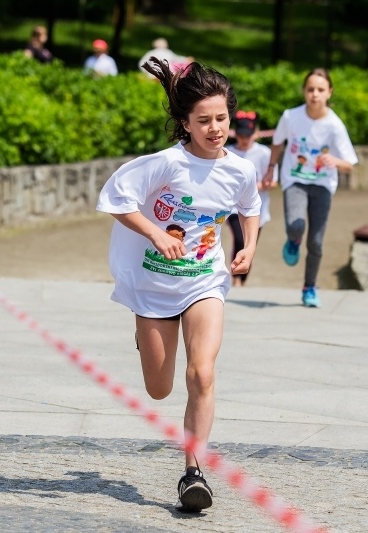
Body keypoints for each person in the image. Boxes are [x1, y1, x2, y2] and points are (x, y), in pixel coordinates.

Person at [96, 57, 261, 513]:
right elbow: (114, 199)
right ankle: (144, 334)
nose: (215, 128)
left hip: (205, 281)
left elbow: (250, 206)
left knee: (202, 373)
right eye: (203, 121)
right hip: (153, 286)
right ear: (184, 123)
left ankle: (193, 473)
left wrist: (249, 244)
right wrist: (152, 233)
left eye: (222, 118)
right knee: (159, 388)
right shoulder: (165, 165)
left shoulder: (241, 169)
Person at [262, 68, 358, 307]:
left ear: (329, 93)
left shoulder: (334, 125)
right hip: (295, 181)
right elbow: (277, 143)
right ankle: (293, 240)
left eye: (320, 90)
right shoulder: (290, 117)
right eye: (310, 89)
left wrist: (334, 161)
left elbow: (350, 164)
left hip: (323, 185)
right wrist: (271, 168)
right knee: (297, 226)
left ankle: (310, 287)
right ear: (304, 91)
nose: (315, 94)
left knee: (316, 241)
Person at [225, 110, 277, 286]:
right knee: (239, 239)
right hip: (232, 207)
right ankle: (236, 279)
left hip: (257, 208)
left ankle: (242, 279)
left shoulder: (263, 153)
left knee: (249, 245)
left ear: (256, 133)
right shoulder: (227, 152)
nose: (244, 139)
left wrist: (251, 188)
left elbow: (273, 182)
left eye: (248, 135)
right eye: (241, 135)